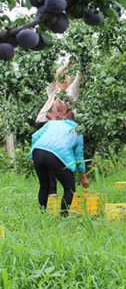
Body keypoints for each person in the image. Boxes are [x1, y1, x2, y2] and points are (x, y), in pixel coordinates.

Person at [36, 60, 84, 197]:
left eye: (67, 77)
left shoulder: (71, 93)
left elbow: (79, 79)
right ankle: (52, 191)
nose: (64, 79)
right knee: (50, 153)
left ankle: (69, 187)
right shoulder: (52, 91)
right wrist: (66, 66)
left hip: (65, 131)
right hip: (50, 129)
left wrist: (82, 63)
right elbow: (54, 75)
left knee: (63, 156)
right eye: (62, 78)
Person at [31, 112, 89, 216]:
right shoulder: (77, 131)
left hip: (38, 151)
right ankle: (64, 217)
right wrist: (83, 177)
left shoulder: (52, 123)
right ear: (77, 122)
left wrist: (32, 156)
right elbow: (79, 156)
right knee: (69, 188)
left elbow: (35, 136)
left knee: (44, 186)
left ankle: (42, 214)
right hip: (56, 155)